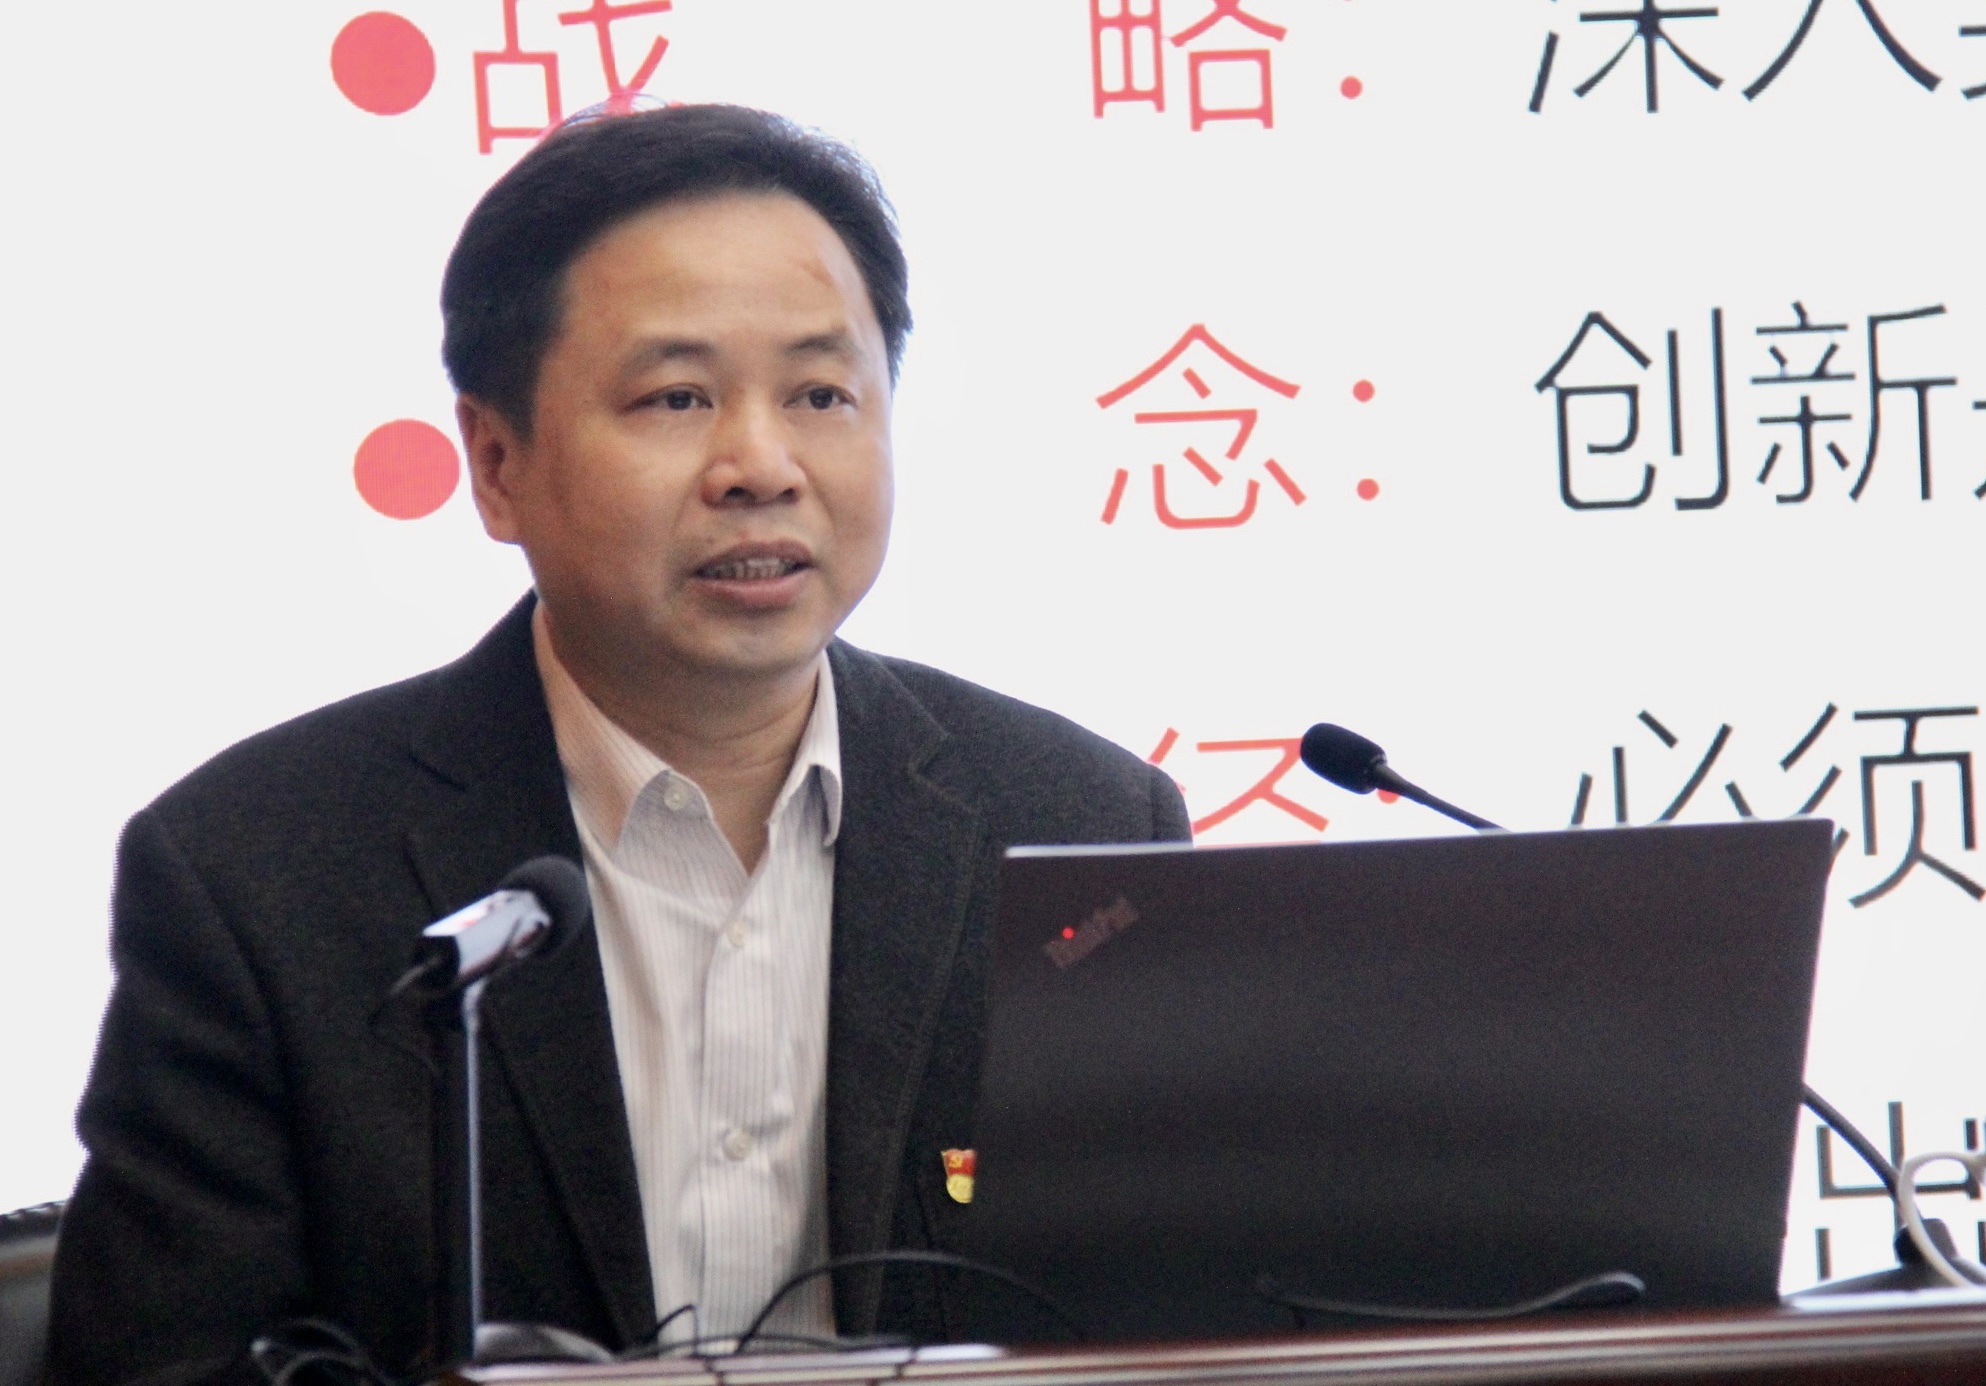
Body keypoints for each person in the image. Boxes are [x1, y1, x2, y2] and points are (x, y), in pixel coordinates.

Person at [48, 104, 1190, 1384]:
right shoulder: (256, 876)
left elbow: (1181, 1321)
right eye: (676, 397)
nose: (760, 466)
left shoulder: (1084, 826)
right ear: (496, 464)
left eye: (821, 394)